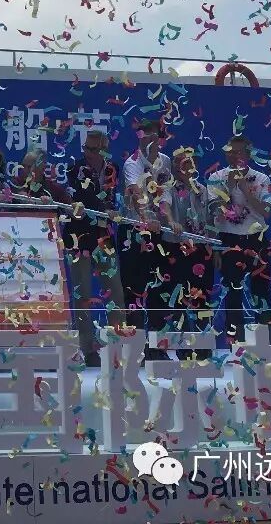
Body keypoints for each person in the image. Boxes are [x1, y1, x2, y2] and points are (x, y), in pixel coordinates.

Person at [65, 129, 128, 367]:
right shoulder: (75, 168)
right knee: (82, 293)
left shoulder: (113, 168)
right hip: (79, 236)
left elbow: (112, 195)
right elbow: (86, 196)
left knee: (115, 291)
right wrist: (105, 209)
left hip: (104, 236)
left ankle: (117, 346)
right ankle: (86, 347)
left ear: (104, 150)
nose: (88, 153)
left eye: (93, 149)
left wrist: (111, 210)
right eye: (86, 148)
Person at [207, 135, 271, 345]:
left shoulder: (262, 179)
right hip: (229, 240)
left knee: (261, 291)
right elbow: (216, 213)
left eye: (238, 152)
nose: (234, 156)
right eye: (230, 152)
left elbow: (266, 212)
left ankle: (266, 345)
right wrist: (229, 189)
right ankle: (236, 345)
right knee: (232, 292)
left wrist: (246, 190)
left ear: (248, 154)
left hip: (257, 239)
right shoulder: (216, 178)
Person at [155, 147, 216, 359]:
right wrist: (171, 221)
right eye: (181, 162)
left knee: (203, 297)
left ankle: (204, 347)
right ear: (174, 166)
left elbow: (211, 220)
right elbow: (164, 206)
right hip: (177, 248)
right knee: (178, 297)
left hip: (201, 250)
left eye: (189, 162)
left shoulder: (203, 189)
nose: (185, 166)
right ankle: (182, 349)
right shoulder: (168, 187)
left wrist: (213, 247)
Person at [121, 120, 172, 360]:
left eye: (153, 137)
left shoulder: (166, 161)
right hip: (134, 232)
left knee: (158, 289)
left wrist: (169, 219)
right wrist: (146, 218)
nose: (149, 140)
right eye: (144, 136)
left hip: (158, 232)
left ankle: (157, 348)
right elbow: (136, 192)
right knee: (134, 290)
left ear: (160, 139)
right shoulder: (132, 162)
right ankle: (135, 350)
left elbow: (165, 193)